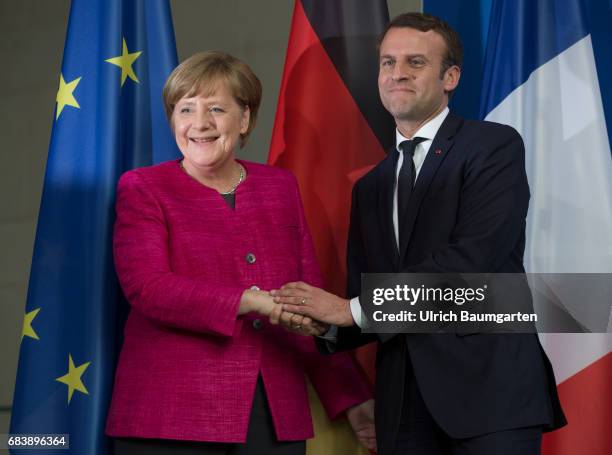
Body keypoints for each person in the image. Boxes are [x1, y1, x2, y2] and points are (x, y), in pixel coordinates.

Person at [271, 13, 567, 455]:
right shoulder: (371, 187)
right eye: (388, 63)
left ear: (450, 77)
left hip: (488, 398)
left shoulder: (493, 146)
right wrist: (321, 323)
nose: (398, 74)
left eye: (415, 62)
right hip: (402, 407)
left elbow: (472, 265)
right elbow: (363, 293)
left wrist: (349, 310)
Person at [105, 51, 374, 455]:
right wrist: (249, 301)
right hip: (170, 416)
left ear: (244, 118)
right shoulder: (143, 187)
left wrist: (349, 397)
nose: (200, 124)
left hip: (273, 412)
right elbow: (148, 287)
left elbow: (307, 298)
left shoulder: (280, 187)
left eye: (216, 108)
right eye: (185, 109)